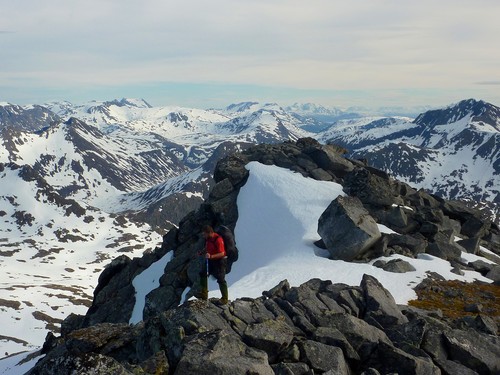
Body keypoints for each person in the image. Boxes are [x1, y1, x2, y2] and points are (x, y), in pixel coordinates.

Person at [199, 225, 229, 305]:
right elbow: (207, 248)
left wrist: (211, 256)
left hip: (220, 261)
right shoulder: (208, 239)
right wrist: (202, 252)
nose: (203, 236)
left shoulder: (218, 239)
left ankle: (225, 298)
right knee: (203, 273)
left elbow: (222, 253)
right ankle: (204, 293)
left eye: (204, 234)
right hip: (212, 260)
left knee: (221, 279)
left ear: (209, 233)